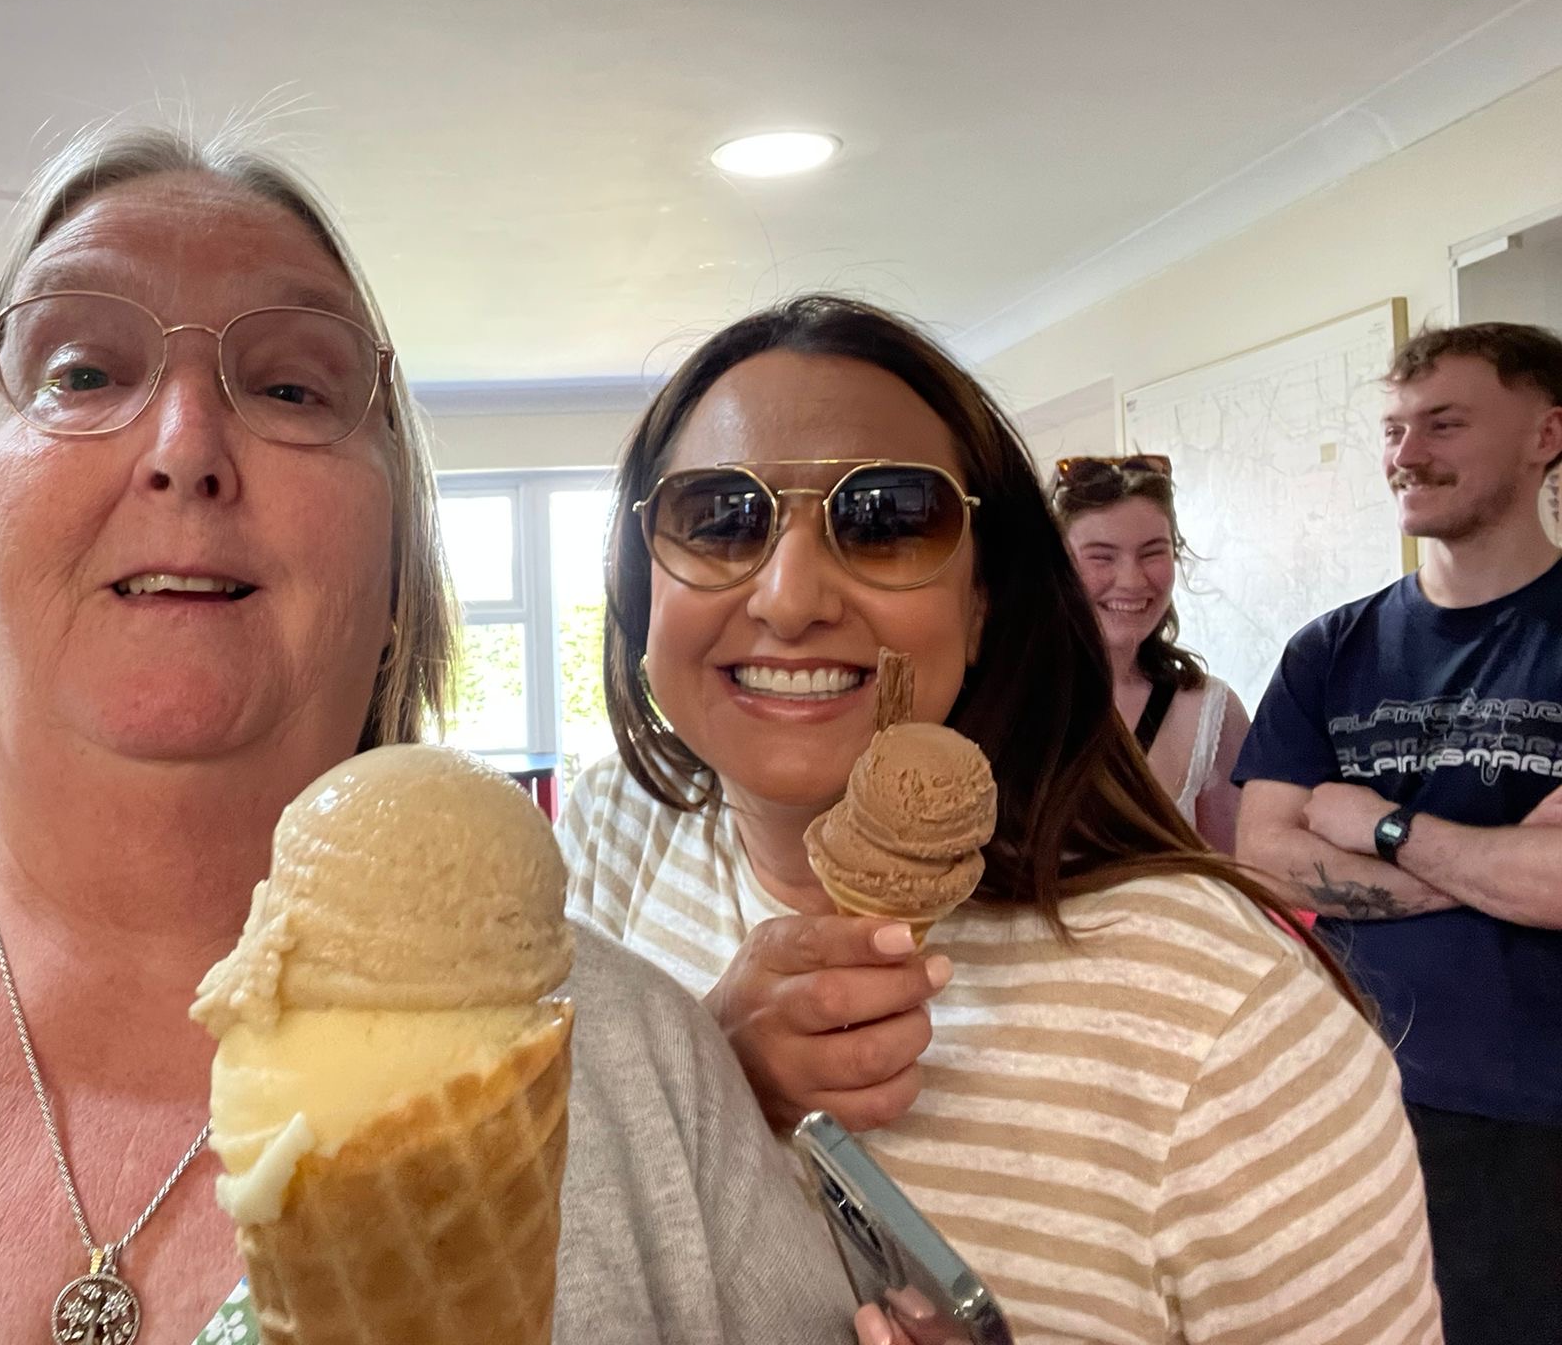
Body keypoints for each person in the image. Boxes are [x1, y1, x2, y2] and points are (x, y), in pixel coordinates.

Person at [0, 125, 860, 1345]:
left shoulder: (646, 1083)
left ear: (397, 587)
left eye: (289, 388)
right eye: (85, 368)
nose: (186, 443)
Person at [560, 293, 1442, 1344]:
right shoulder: (611, 833)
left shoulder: (1227, 1022)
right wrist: (698, 1084)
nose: (788, 597)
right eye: (717, 517)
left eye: (885, 519)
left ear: (981, 602)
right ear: (638, 583)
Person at [1233, 322, 1562, 1344]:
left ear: (1545, 434)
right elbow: (1261, 855)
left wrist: (1368, 821)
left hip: (1530, 1119)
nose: (1404, 456)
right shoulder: (1326, 648)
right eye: (1391, 428)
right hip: (1337, 1095)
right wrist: (1488, 860)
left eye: (1444, 423)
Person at [1049, 455, 1251, 853]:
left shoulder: (1212, 711)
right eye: (1101, 557)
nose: (1131, 580)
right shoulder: (1009, 700)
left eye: (1152, 553)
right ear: (1057, 567)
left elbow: (1235, 883)